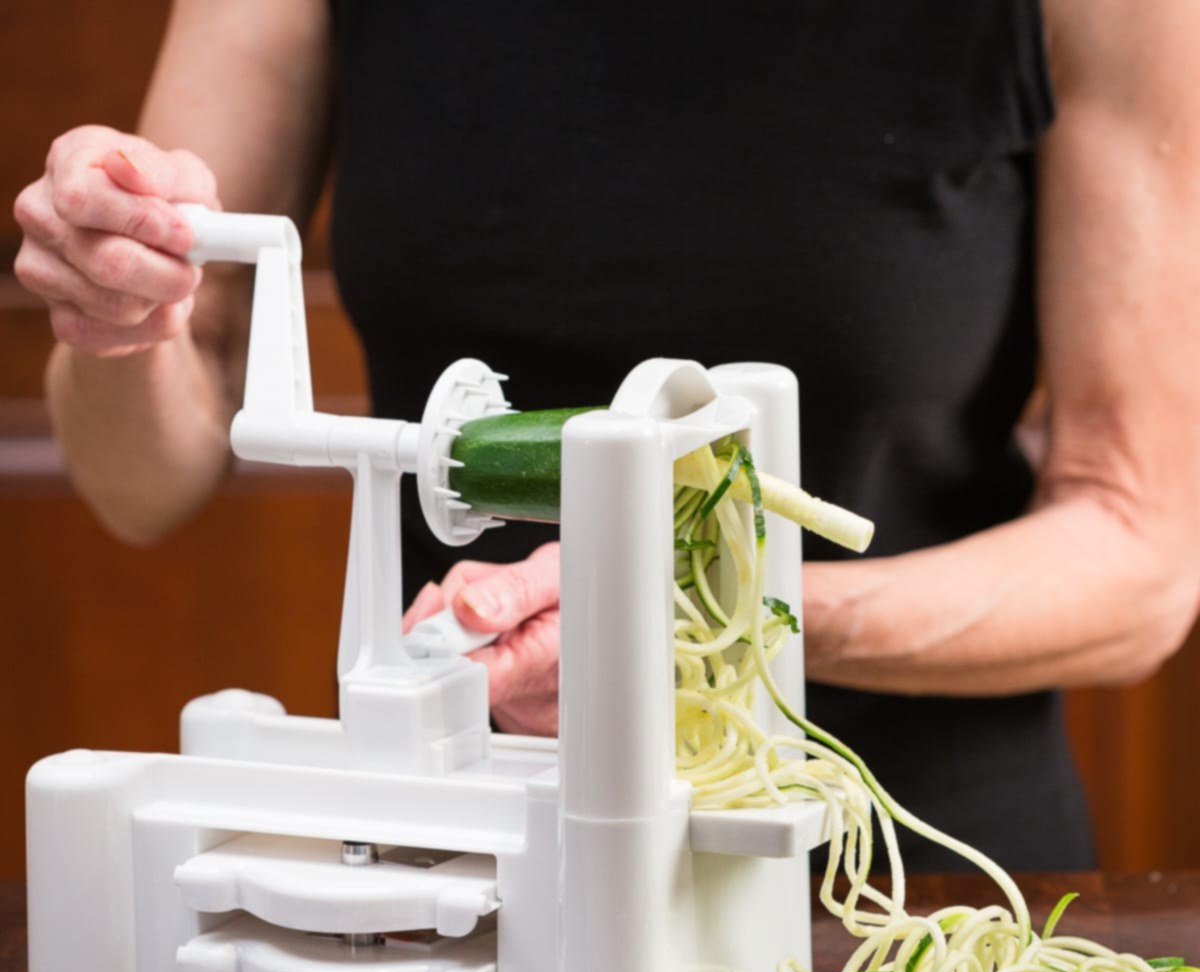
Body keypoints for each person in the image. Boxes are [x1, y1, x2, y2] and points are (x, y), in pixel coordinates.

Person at [14, 1, 1200, 870]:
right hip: (470, 871)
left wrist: (708, 626)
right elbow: (139, 482)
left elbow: (1140, 551)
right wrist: (123, 305)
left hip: (904, 891)